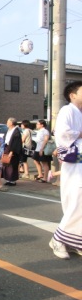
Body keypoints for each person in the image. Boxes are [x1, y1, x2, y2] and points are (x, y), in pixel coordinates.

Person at [50, 81, 82, 259]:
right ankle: (58, 239)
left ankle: (73, 241)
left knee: (79, 204)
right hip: (75, 163)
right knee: (77, 202)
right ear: (73, 95)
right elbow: (62, 132)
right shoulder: (67, 110)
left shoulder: (79, 112)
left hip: (80, 164)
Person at [1, 117, 22, 186]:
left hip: (13, 150)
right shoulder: (8, 130)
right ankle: (8, 179)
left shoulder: (16, 131)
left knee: (12, 164)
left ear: (12, 123)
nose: (7, 123)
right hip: (7, 147)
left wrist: (12, 151)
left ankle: (12, 180)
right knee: (6, 164)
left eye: (8, 122)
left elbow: (16, 142)